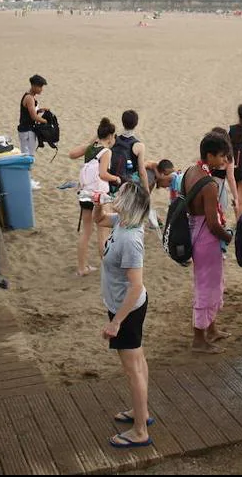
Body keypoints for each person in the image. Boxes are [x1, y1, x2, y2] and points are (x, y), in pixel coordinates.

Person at [99, 181, 153, 449]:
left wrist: (116, 322)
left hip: (127, 309)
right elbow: (100, 219)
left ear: (130, 204)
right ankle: (140, 411)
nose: (116, 195)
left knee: (133, 370)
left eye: (121, 194)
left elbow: (136, 286)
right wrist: (99, 202)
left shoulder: (131, 239)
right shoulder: (122, 221)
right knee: (138, 362)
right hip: (124, 305)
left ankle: (140, 430)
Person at [183, 133, 235, 354]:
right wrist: (229, 236)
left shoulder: (190, 172)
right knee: (206, 287)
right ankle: (198, 339)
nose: (224, 161)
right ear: (210, 155)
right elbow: (214, 223)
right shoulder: (209, 184)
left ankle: (211, 329)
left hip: (194, 231)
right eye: (222, 156)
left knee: (210, 283)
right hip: (206, 237)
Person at [68, 118, 119, 275]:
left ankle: (82, 268)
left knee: (86, 231)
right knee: (102, 229)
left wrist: (93, 140)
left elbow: (71, 154)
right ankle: (106, 264)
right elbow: (103, 174)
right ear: (110, 136)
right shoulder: (106, 152)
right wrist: (115, 178)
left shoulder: (90, 148)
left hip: (85, 194)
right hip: (98, 195)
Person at [110, 110, 151, 193]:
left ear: (122, 122)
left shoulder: (113, 139)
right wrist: (147, 190)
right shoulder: (139, 146)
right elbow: (142, 172)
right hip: (126, 184)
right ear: (136, 124)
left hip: (111, 180)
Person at [17, 75, 48, 157]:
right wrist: (45, 121)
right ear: (33, 86)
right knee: (28, 156)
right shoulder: (29, 98)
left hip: (26, 130)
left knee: (27, 154)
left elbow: (29, 111)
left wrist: (40, 110)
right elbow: (33, 117)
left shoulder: (29, 96)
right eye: (40, 86)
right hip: (27, 131)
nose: (41, 89)